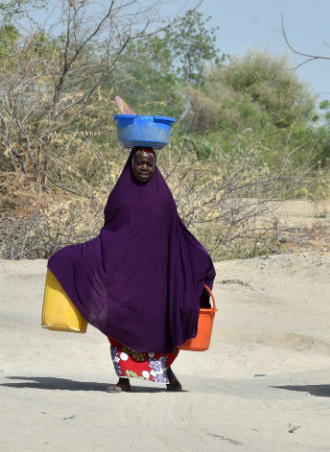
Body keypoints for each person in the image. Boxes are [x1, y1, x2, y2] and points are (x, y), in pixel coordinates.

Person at [47, 147, 216, 392]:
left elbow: (176, 234)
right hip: (123, 273)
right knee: (118, 318)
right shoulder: (120, 196)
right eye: (140, 163)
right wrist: (71, 258)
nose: (145, 168)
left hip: (157, 279)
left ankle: (167, 376)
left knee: (157, 326)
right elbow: (111, 235)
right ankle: (124, 380)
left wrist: (198, 260)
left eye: (150, 163)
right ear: (131, 164)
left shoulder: (162, 197)